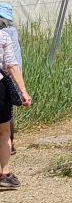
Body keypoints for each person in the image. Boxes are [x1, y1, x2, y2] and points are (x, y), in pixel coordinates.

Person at [0, 27, 31, 190]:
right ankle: (4, 174)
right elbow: (12, 65)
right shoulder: (3, 36)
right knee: (4, 131)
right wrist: (23, 92)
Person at [0, 3, 22, 156]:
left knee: (6, 117)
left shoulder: (7, 33)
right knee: (6, 117)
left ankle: (10, 142)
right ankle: (9, 143)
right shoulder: (9, 32)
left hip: (7, 76)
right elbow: (14, 63)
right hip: (7, 77)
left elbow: (13, 63)